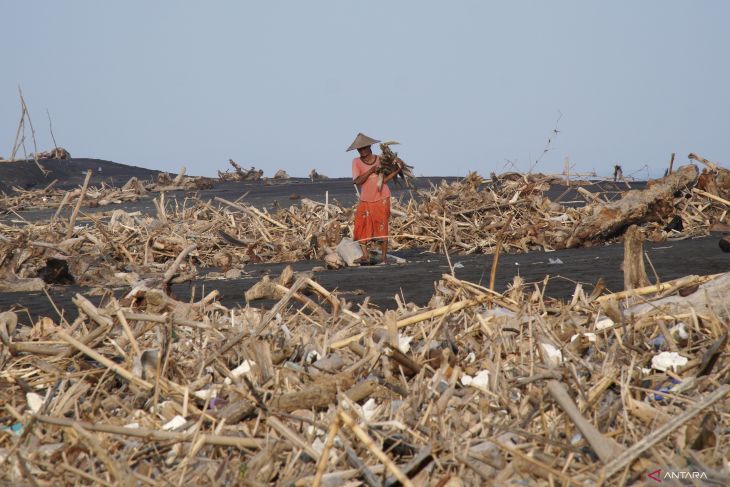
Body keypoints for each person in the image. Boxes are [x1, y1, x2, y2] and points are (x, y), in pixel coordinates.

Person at [347, 132, 401, 265]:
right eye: (360, 149)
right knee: (360, 226)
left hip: (382, 197)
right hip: (366, 199)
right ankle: (365, 255)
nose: (362, 151)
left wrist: (397, 170)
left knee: (382, 226)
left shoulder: (380, 160)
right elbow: (358, 181)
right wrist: (371, 171)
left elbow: (384, 180)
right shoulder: (356, 162)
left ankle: (383, 258)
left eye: (364, 148)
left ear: (370, 146)